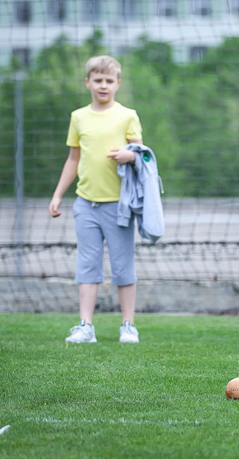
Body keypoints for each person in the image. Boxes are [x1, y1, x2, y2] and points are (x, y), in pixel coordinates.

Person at [49, 55, 144, 344]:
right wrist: (57, 195)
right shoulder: (78, 117)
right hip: (85, 204)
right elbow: (73, 159)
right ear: (88, 82)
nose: (103, 85)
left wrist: (130, 155)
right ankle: (85, 326)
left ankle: (128, 326)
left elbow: (143, 154)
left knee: (122, 266)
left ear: (118, 84)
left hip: (119, 206)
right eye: (98, 80)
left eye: (109, 81)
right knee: (87, 265)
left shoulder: (127, 115)